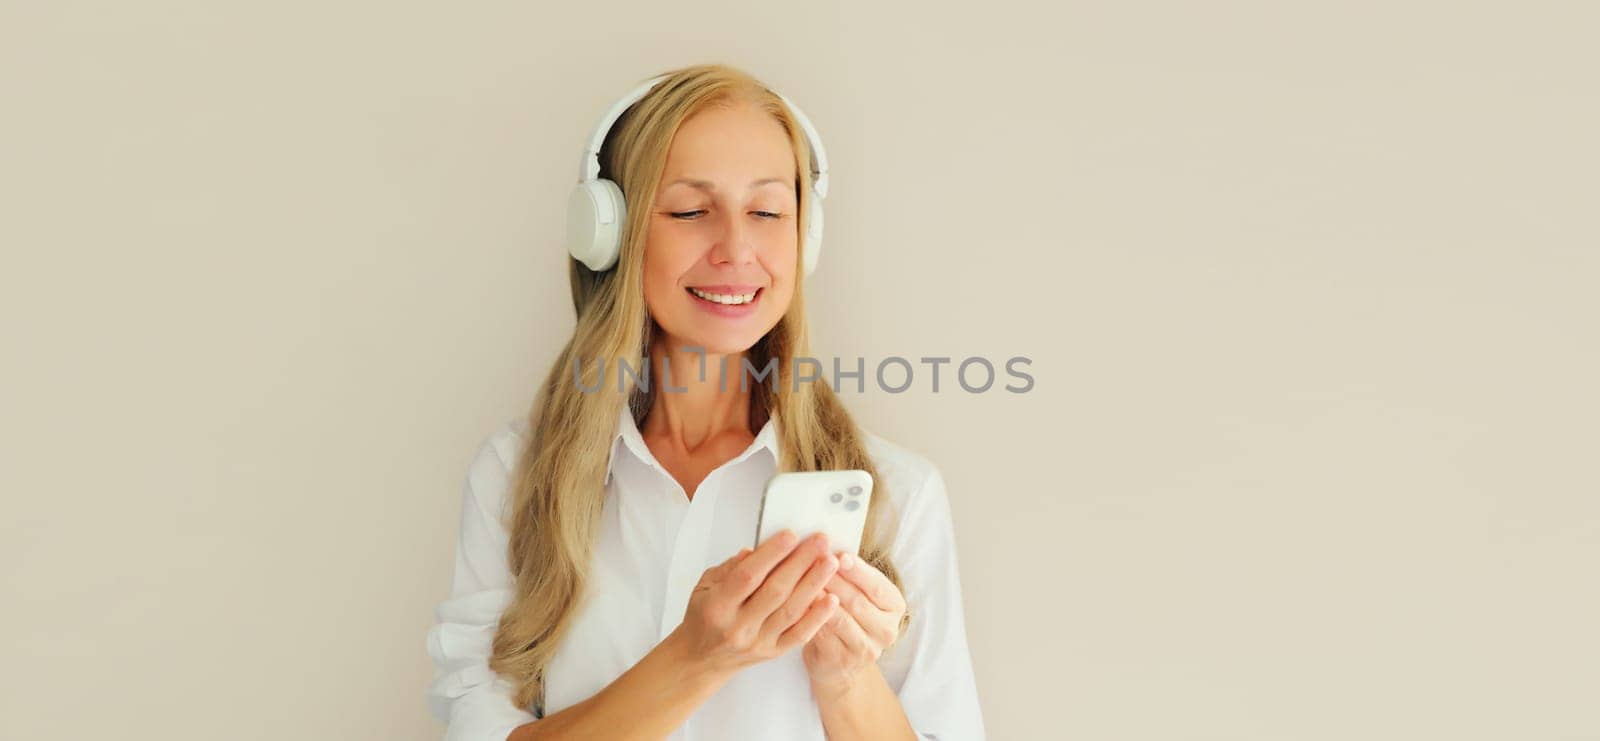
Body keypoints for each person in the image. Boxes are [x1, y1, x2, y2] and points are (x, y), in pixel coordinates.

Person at [424, 63, 985, 741]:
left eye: (768, 212)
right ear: (613, 234)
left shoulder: (901, 496)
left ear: (804, 238)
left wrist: (844, 681)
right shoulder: (517, 477)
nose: (737, 248)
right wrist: (695, 657)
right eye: (691, 210)